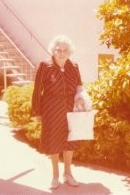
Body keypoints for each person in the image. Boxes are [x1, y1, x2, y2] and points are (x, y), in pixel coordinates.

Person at [32, 35, 86, 189]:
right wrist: (37, 112)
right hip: (51, 108)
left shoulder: (74, 66)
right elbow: (37, 91)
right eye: (58, 50)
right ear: (53, 50)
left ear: (70, 52)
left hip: (71, 108)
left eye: (65, 50)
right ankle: (55, 176)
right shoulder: (45, 65)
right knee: (54, 142)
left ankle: (67, 173)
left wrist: (82, 99)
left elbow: (79, 86)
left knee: (70, 141)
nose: (61, 53)